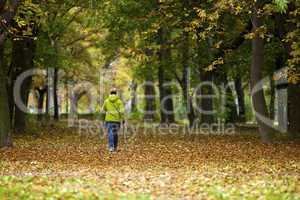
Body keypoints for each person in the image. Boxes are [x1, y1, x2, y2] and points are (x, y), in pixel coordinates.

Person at [101, 88, 125, 152]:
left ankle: (111, 147)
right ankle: (115, 147)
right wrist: (123, 119)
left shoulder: (106, 101)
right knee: (115, 133)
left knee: (110, 133)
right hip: (117, 120)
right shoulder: (119, 101)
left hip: (108, 120)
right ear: (116, 93)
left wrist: (106, 113)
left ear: (110, 93)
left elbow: (103, 110)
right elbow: (122, 111)